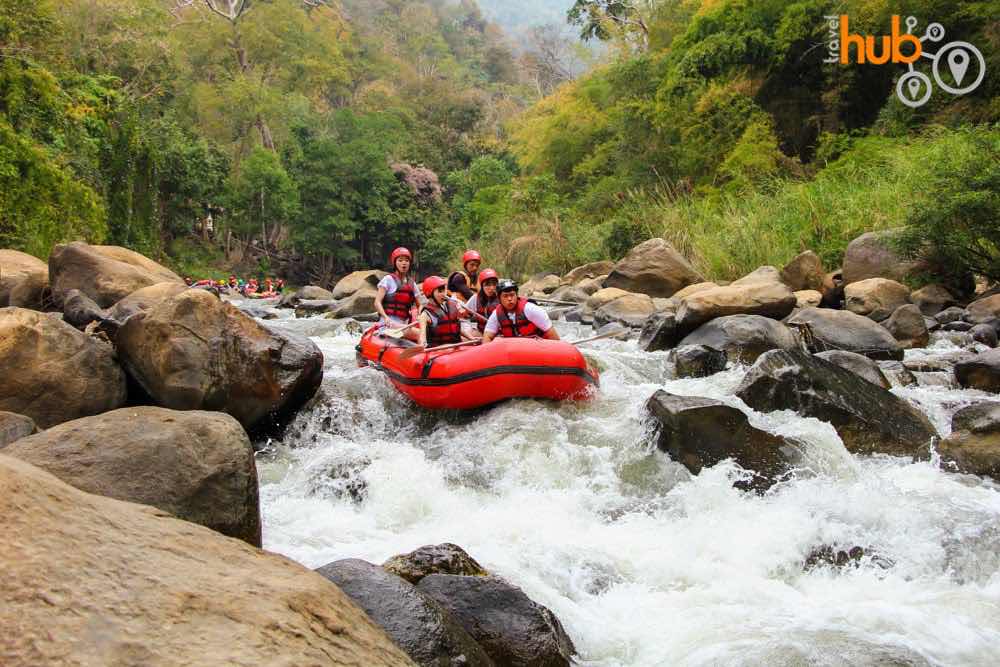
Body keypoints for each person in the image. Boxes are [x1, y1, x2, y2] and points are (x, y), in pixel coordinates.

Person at [482, 279, 560, 343]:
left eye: (512, 295)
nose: (509, 299)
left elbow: (552, 335)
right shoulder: (496, 314)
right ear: (499, 299)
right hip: (516, 349)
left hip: (538, 346)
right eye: (505, 296)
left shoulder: (531, 309)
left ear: (517, 295)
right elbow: (487, 336)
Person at [375, 247, 420, 341]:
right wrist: (385, 317)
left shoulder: (412, 284)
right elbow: (377, 302)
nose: (404, 263)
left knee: (426, 332)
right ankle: (424, 353)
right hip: (388, 323)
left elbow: (420, 305)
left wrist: (422, 317)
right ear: (395, 263)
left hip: (403, 323)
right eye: (400, 260)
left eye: (407, 261)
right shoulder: (388, 279)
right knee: (420, 334)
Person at [418, 276, 463, 347]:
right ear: (430, 293)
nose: (444, 294)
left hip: (456, 347)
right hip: (439, 350)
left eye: (444, 290)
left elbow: (455, 327)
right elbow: (422, 335)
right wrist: (422, 344)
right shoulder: (425, 314)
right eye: (440, 291)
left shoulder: (449, 307)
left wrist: (471, 337)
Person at [462, 268, 499, 335]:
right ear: (482, 286)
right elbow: (463, 317)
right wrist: (468, 329)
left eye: (494, 284)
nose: (492, 288)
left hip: (498, 333)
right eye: (487, 284)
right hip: (481, 332)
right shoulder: (475, 298)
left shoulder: (501, 298)